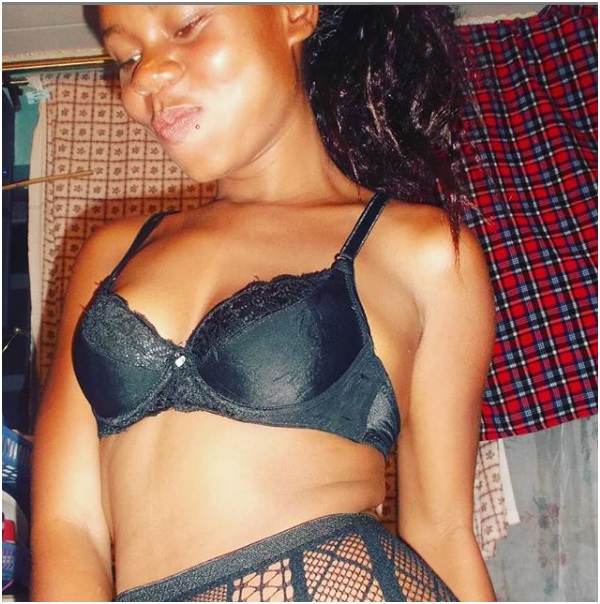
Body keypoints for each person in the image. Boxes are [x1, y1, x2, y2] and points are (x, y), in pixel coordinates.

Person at [31, 5, 497, 602]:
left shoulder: (420, 249)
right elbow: (67, 527)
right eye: (128, 56)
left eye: (186, 27)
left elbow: (444, 530)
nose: (146, 76)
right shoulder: (113, 252)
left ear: (294, 12)